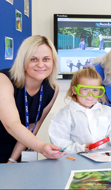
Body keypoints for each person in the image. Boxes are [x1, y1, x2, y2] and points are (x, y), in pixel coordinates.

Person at [0, 35, 64, 163]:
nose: (41, 65)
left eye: (46, 59)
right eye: (33, 59)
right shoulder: (3, 79)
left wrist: (12, 160)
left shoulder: (52, 88)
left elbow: (32, 128)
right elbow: (11, 124)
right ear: (23, 61)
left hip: (15, 150)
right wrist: (41, 147)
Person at [48, 67, 111, 154]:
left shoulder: (110, 112)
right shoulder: (64, 115)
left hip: (105, 161)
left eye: (95, 90)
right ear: (75, 90)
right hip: (76, 162)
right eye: (85, 89)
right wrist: (81, 148)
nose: (90, 95)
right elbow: (59, 142)